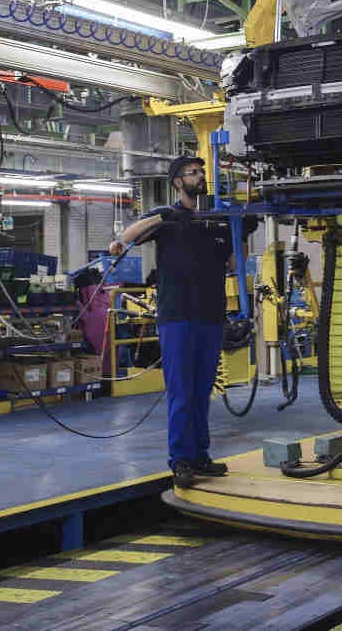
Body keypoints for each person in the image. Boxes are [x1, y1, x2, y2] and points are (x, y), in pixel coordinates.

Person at [110, 155, 234, 489]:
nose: (199, 176)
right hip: (177, 316)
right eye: (192, 173)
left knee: (202, 390)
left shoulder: (219, 219)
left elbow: (236, 256)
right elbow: (132, 232)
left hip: (211, 315)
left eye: (201, 172)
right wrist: (127, 237)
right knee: (181, 391)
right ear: (178, 182)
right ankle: (180, 459)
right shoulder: (167, 218)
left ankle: (199, 457)